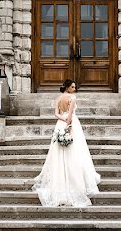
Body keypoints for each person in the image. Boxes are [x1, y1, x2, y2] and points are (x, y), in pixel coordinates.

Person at [32, 79, 101, 207]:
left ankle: (61, 180)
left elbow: (56, 114)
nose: (75, 89)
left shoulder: (58, 98)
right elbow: (70, 115)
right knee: (75, 151)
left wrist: (62, 121)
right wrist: (68, 126)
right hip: (71, 124)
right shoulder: (72, 98)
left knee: (60, 151)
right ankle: (75, 180)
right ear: (68, 88)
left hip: (59, 124)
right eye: (73, 87)